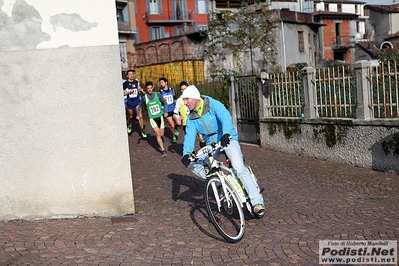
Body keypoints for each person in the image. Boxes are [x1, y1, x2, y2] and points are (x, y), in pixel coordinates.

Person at [180, 85, 265, 217]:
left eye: (187, 99)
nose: (185, 103)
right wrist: (186, 153)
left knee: (238, 168)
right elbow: (189, 136)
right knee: (192, 163)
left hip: (227, 138)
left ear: (195, 98)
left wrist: (226, 134)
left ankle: (257, 203)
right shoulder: (191, 117)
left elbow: (225, 117)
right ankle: (218, 182)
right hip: (211, 144)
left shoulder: (212, 104)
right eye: (184, 100)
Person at [139, 81, 169, 157]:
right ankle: (163, 150)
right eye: (148, 88)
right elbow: (139, 105)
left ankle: (160, 141)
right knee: (157, 133)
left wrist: (165, 111)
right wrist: (138, 114)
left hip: (160, 117)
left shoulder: (158, 94)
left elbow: (165, 103)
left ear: (153, 87)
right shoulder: (144, 98)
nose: (149, 90)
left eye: (150, 88)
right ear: (146, 89)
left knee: (161, 134)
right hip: (152, 118)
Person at [174, 81, 205, 147]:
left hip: (197, 120)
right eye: (182, 89)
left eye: (185, 89)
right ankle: (191, 153)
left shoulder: (194, 97)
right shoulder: (180, 100)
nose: (183, 91)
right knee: (190, 140)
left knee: (202, 138)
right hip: (187, 123)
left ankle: (205, 152)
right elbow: (175, 111)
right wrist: (178, 117)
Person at [123, 69, 147, 138]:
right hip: (130, 102)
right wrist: (128, 92)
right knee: (130, 116)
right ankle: (130, 125)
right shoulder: (125, 84)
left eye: (132, 74)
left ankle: (142, 130)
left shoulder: (136, 82)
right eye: (129, 74)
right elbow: (123, 93)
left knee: (140, 115)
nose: (131, 75)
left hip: (137, 101)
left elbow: (139, 88)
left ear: (134, 75)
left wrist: (144, 92)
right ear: (127, 75)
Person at [159, 77, 178, 143]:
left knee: (178, 122)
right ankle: (173, 137)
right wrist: (163, 111)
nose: (161, 84)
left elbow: (174, 98)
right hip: (167, 111)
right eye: (160, 83)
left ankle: (176, 128)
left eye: (162, 82)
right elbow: (160, 102)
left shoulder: (171, 90)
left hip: (174, 109)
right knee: (172, 125)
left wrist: (176, 103)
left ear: (166, 82)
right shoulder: (160, 92)